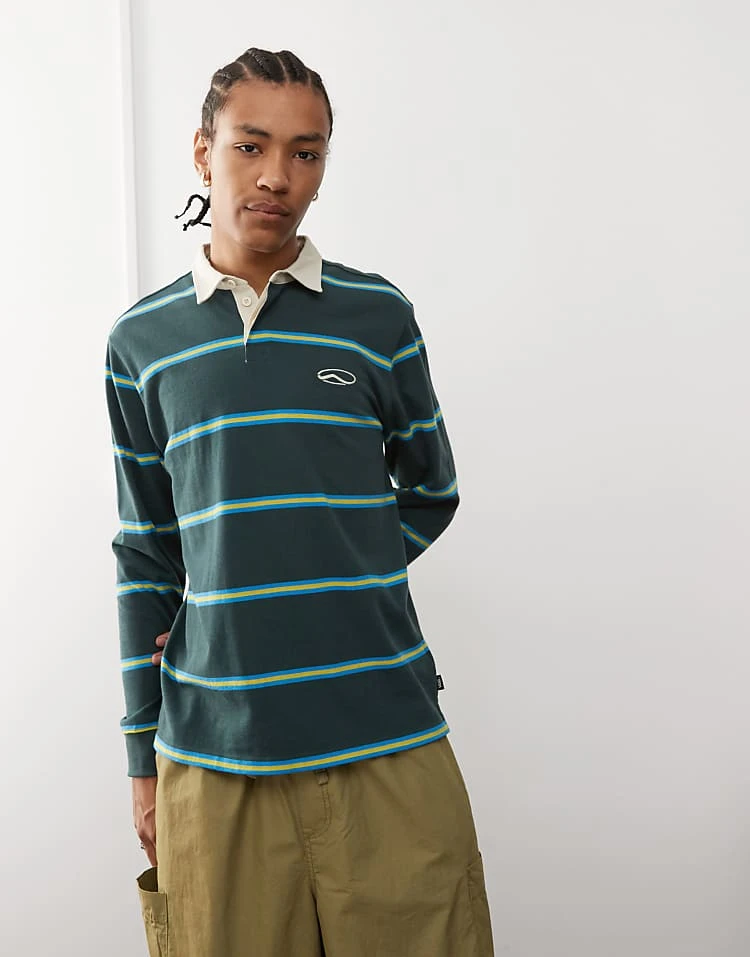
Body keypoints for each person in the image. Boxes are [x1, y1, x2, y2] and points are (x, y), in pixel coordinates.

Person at [104, 46, 494, 957]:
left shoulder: (377, 317)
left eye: (305, 152)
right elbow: (146, 549)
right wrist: (140, 756)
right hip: (214, 751)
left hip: (387, 733)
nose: (277, 176)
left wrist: (329, 565)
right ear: (203, 152)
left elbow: (430, 490)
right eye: (251, 145)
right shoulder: (141, 342)